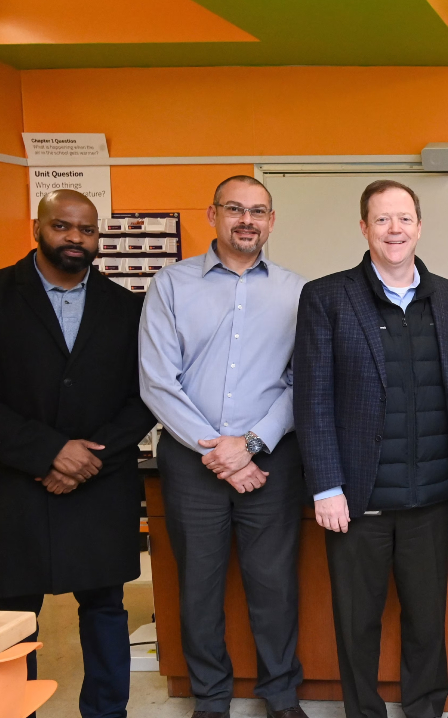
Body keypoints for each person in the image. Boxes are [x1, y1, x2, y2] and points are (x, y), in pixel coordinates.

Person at [294, 179, 448, 718]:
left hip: (429, 495)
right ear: (364, 227)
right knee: (357, 623)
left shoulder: (446, 294)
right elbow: (313, 397)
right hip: (355, 498)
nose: (395, 230)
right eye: (382, 220)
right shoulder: (326, 296)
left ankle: (426, 710)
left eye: (404, 219)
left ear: (419, 225)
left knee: (426, 621)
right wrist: (326, 486)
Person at [139, 175, 308, 718]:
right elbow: (158, 382)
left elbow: (300, 381)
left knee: (275, 587)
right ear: (211, 213)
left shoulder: (297, 290)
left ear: (272, 221)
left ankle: (281, 697)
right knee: (199, 587)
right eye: (234, 209)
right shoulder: (171, 284)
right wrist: (221, 453)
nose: (246, 221)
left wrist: (252, 444)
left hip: (271, 462)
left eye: (258, 211)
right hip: (191, 465)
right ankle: (210, 700)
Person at [0, 190, 156, 718]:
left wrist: (90, 457)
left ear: (98, 237)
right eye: (63, 227)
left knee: (106, 610)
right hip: (16, 484)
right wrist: (48, 453)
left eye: (86, 230)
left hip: (100, 483)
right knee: (14, 618)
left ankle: (108, 712)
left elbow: (145, 396)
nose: (75, 238)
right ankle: (17, 710)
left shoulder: (129, 306)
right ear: (37, 228)